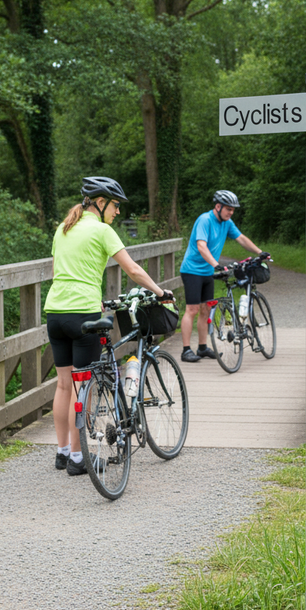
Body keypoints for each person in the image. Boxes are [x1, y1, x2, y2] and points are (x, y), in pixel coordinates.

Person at [44, 176, 173, 475]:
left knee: (64, 384)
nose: (118, 212)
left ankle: (63, 452)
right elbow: (133, 269)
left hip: (55, 313)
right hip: (82, 315)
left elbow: (57, 272)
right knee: (82, 386)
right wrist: (159, 292)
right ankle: (79, 458)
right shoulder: (102, 231)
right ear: (100, 203)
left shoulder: (63, 229)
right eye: (115, 206)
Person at [179, 190, 265, 363]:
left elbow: (241, 238)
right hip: (192, 270)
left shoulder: (227, 223)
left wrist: (260, 252)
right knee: (192, 309)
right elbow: (201, 246)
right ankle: (186, 350)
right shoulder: (205, 220)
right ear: (218, 207)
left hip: (207, 273)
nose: (231, 212)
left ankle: (202, 347)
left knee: (206, 309)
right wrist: (215, 264)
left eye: (233, 210)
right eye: (228, 209)